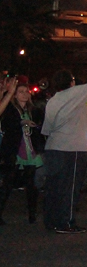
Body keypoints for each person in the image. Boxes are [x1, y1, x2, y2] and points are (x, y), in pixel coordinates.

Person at [41, 70, 87, 234]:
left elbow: (47, 129)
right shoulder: (74, 94)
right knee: (71, 186)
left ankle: (52, 220)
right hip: (72, 148)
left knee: (54, 187)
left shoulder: (53, 101)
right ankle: (66, 222)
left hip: (54, 147)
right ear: (71, 82)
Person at [0, 76, 45, 225]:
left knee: (31, 183)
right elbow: (8, 124)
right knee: (8, 181)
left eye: (27, 91)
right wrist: (22, 122)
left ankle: (32, 213)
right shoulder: (10, 109)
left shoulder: (33, 110)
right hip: (14, 149)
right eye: (21, 91)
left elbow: (40, 126)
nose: (25, 94)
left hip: (29, 148)